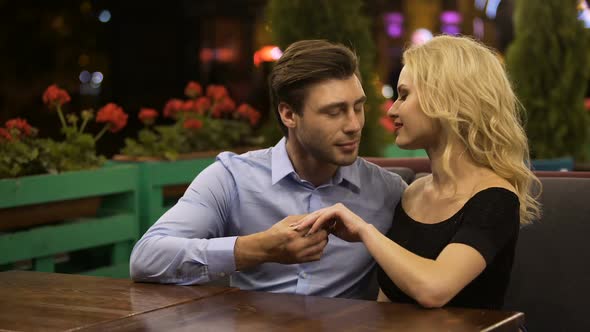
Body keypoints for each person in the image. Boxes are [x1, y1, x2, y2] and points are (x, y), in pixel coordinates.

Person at [130, 39, 406, 299]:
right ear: (289, 115)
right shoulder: (232, 177)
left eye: (358, 107)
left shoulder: (388, 191)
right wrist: (260, 248)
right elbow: (146, 258)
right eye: (334, 112)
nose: (354, 125)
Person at [295, 35, 541, 309]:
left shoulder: (496, 198)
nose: (393, 110)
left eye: (404, 95)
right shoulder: (412, 193)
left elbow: (434, 289)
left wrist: (365, 231)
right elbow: (387, 304)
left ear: (447, 100)